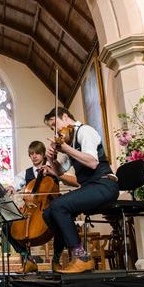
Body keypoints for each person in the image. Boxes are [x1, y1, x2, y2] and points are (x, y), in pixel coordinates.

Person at [42, 107, 119, 274]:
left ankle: (81, 257)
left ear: (66, 117)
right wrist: (51, 159)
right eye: (51, 129)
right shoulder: (70, 142)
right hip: (90, 187)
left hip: (105, 185)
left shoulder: (85, 131)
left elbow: (92, 162)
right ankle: (58, 258)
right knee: (48, 213)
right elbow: (60, 173)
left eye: (55, 125)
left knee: (58, 206)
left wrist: (65, 148)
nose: (55, 131)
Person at [4, 141, 77, 273]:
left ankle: (55, 261)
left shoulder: (54, 168)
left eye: (37, 153)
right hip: (31, 210)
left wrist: (54, 173)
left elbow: (72, 180)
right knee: (6, 226)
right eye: (31, 154)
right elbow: (15, 183)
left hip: (50, 208)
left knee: (60, 221)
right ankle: (28, 259)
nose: (34, 156)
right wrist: (11, 187)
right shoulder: (25, 173)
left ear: (43, 154)